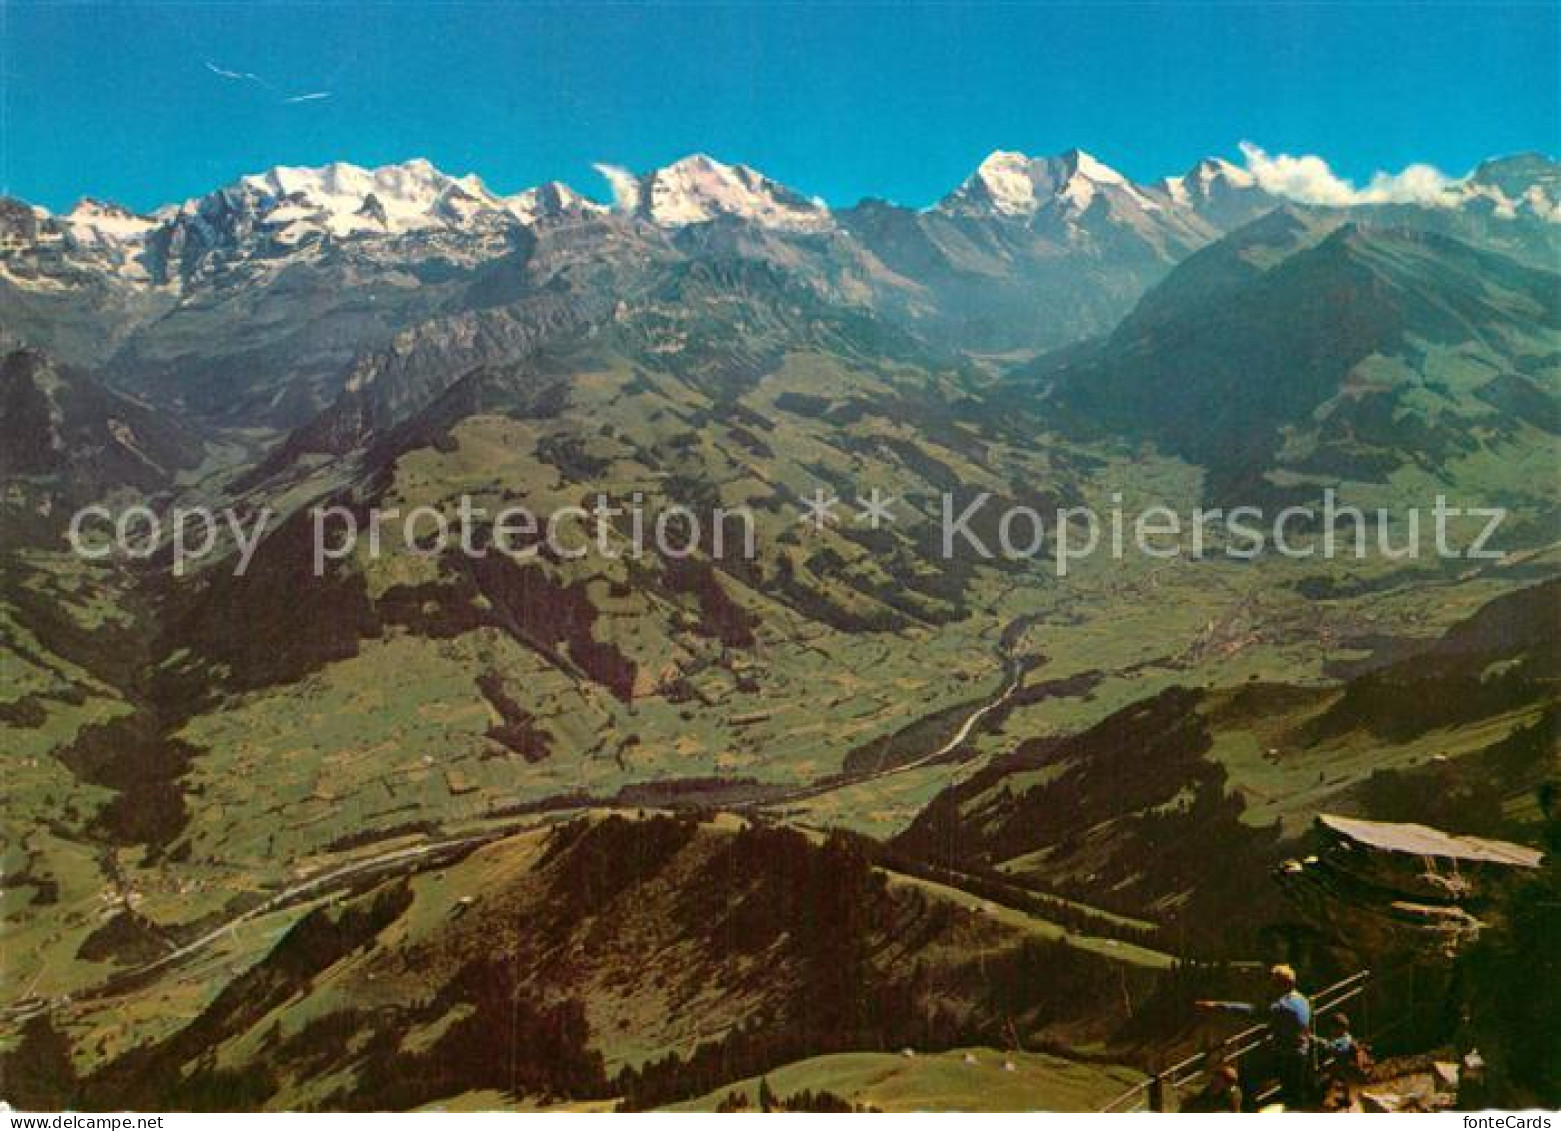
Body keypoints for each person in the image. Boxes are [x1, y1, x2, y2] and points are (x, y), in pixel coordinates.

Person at [1196, 964, 1314, 1107]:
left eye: (1276, 983)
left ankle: (1246, 1108)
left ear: (1286, 984)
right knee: (1293, 1093)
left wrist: (1217, 1006)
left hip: (1287, 1057)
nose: (1272, 987)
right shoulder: (1302, 1000)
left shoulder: (1283, 1006)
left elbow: (1253, 1011)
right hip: (1301, 1052)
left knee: (1248, 1076)